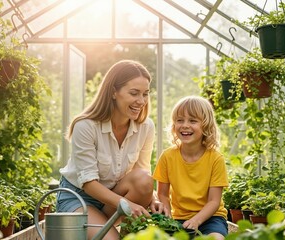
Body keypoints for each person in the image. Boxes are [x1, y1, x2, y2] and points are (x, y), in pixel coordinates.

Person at [57, 60, 167, 240]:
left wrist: (154, 199)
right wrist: (127, 204)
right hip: (80, 199)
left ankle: (124, 233)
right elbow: (88, 184)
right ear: (114, 92)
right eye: (134, 93)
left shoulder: (146, 127)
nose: (141, 101)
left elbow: (142, 172)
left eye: (145, 94)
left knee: (144, 179)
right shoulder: (85, 126)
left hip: (116, 198)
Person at [153, 96, 229, 240]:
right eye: (180, 120)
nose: (185, 125)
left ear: (205, 126)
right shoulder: (167, 156)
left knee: (216, 238)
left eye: (192, 121)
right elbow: (162, 193)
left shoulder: (215, 159)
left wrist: (196, 221)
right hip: (177, 218)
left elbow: (214, 201)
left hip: (211, 218)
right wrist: (167, 215)